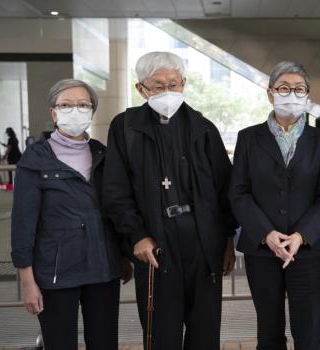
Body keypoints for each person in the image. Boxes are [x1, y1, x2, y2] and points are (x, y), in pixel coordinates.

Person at [102, 51, 237, 350]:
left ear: (184, 83)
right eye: (157, 86)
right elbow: (115, 190)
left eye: (173, 84)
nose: (167, 92)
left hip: (203, 241)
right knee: (161, 333)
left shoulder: (204, 128)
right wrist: (136, 235)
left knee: (204, 334)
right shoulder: (125, 127)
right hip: (154, 243)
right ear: (141, 89)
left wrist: (227, 241)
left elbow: (224, 190)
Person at [10, 79, 130, 350]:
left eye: (82, 105)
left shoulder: (104, 154)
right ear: (53, 112)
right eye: (66, 105)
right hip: (55, 273)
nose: (74, 111)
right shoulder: (35, 159)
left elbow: (115, 209)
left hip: (102, 269)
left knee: (104, 343)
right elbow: (22, 226)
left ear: (91, 111)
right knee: (60, 344)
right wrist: (28, 282)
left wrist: (122, 256)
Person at [229, 61, 320, 350]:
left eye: (299, 89)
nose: (292, 94)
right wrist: (266, 233)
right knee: (269, 330)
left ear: (307, 95)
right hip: (262, 250)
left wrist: (301, 235)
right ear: (270, 93)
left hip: (309, 249)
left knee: (310, 330)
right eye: (284, 88)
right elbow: (238, 193)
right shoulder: (249, 138)